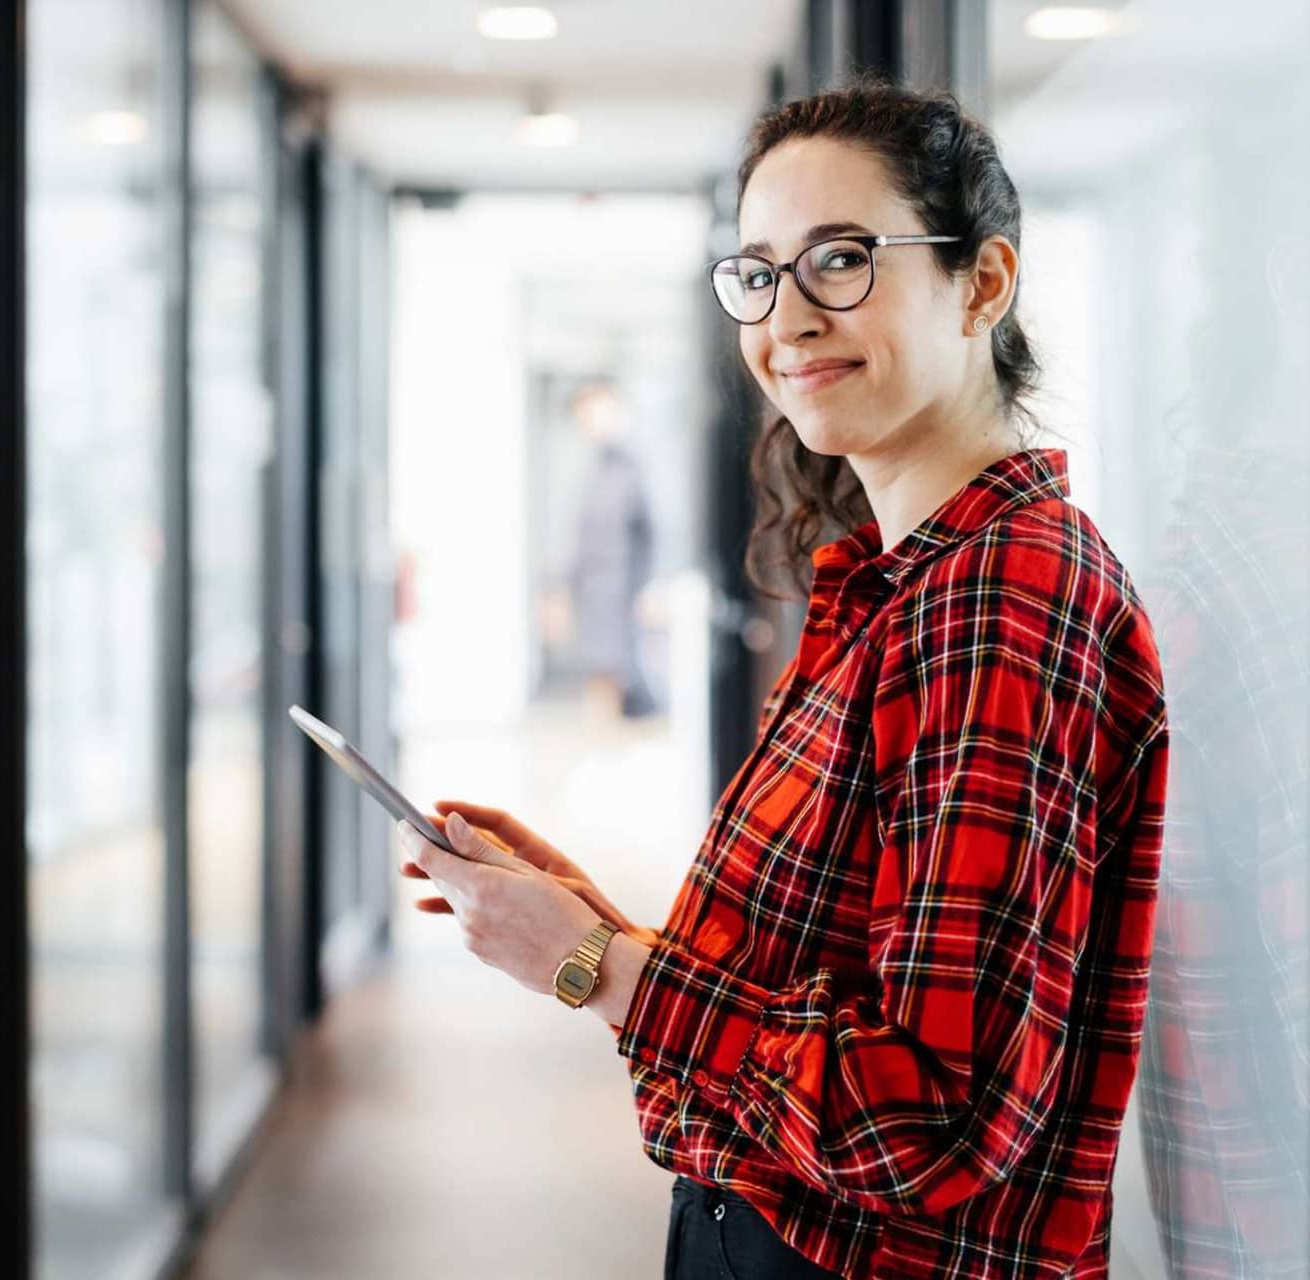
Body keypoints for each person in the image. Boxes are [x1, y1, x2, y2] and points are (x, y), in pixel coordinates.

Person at [395, 83, 1168, 1279]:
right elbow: (822, 978)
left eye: (842, 259)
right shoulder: (897, 580)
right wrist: (588, 922)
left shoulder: (1000, 596)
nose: (787, 319)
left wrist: (599, 968)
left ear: (982, 284)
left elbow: (931, 1115)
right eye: (757, 273)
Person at [559, 377, 659, 720]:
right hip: (594, 596)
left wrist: (650, 588)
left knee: (626, 680)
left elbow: (655, 531)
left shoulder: (638, 466)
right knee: (599, 675)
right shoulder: (593, 471)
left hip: (626, 596)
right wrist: (563, 591)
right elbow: (580, 542)